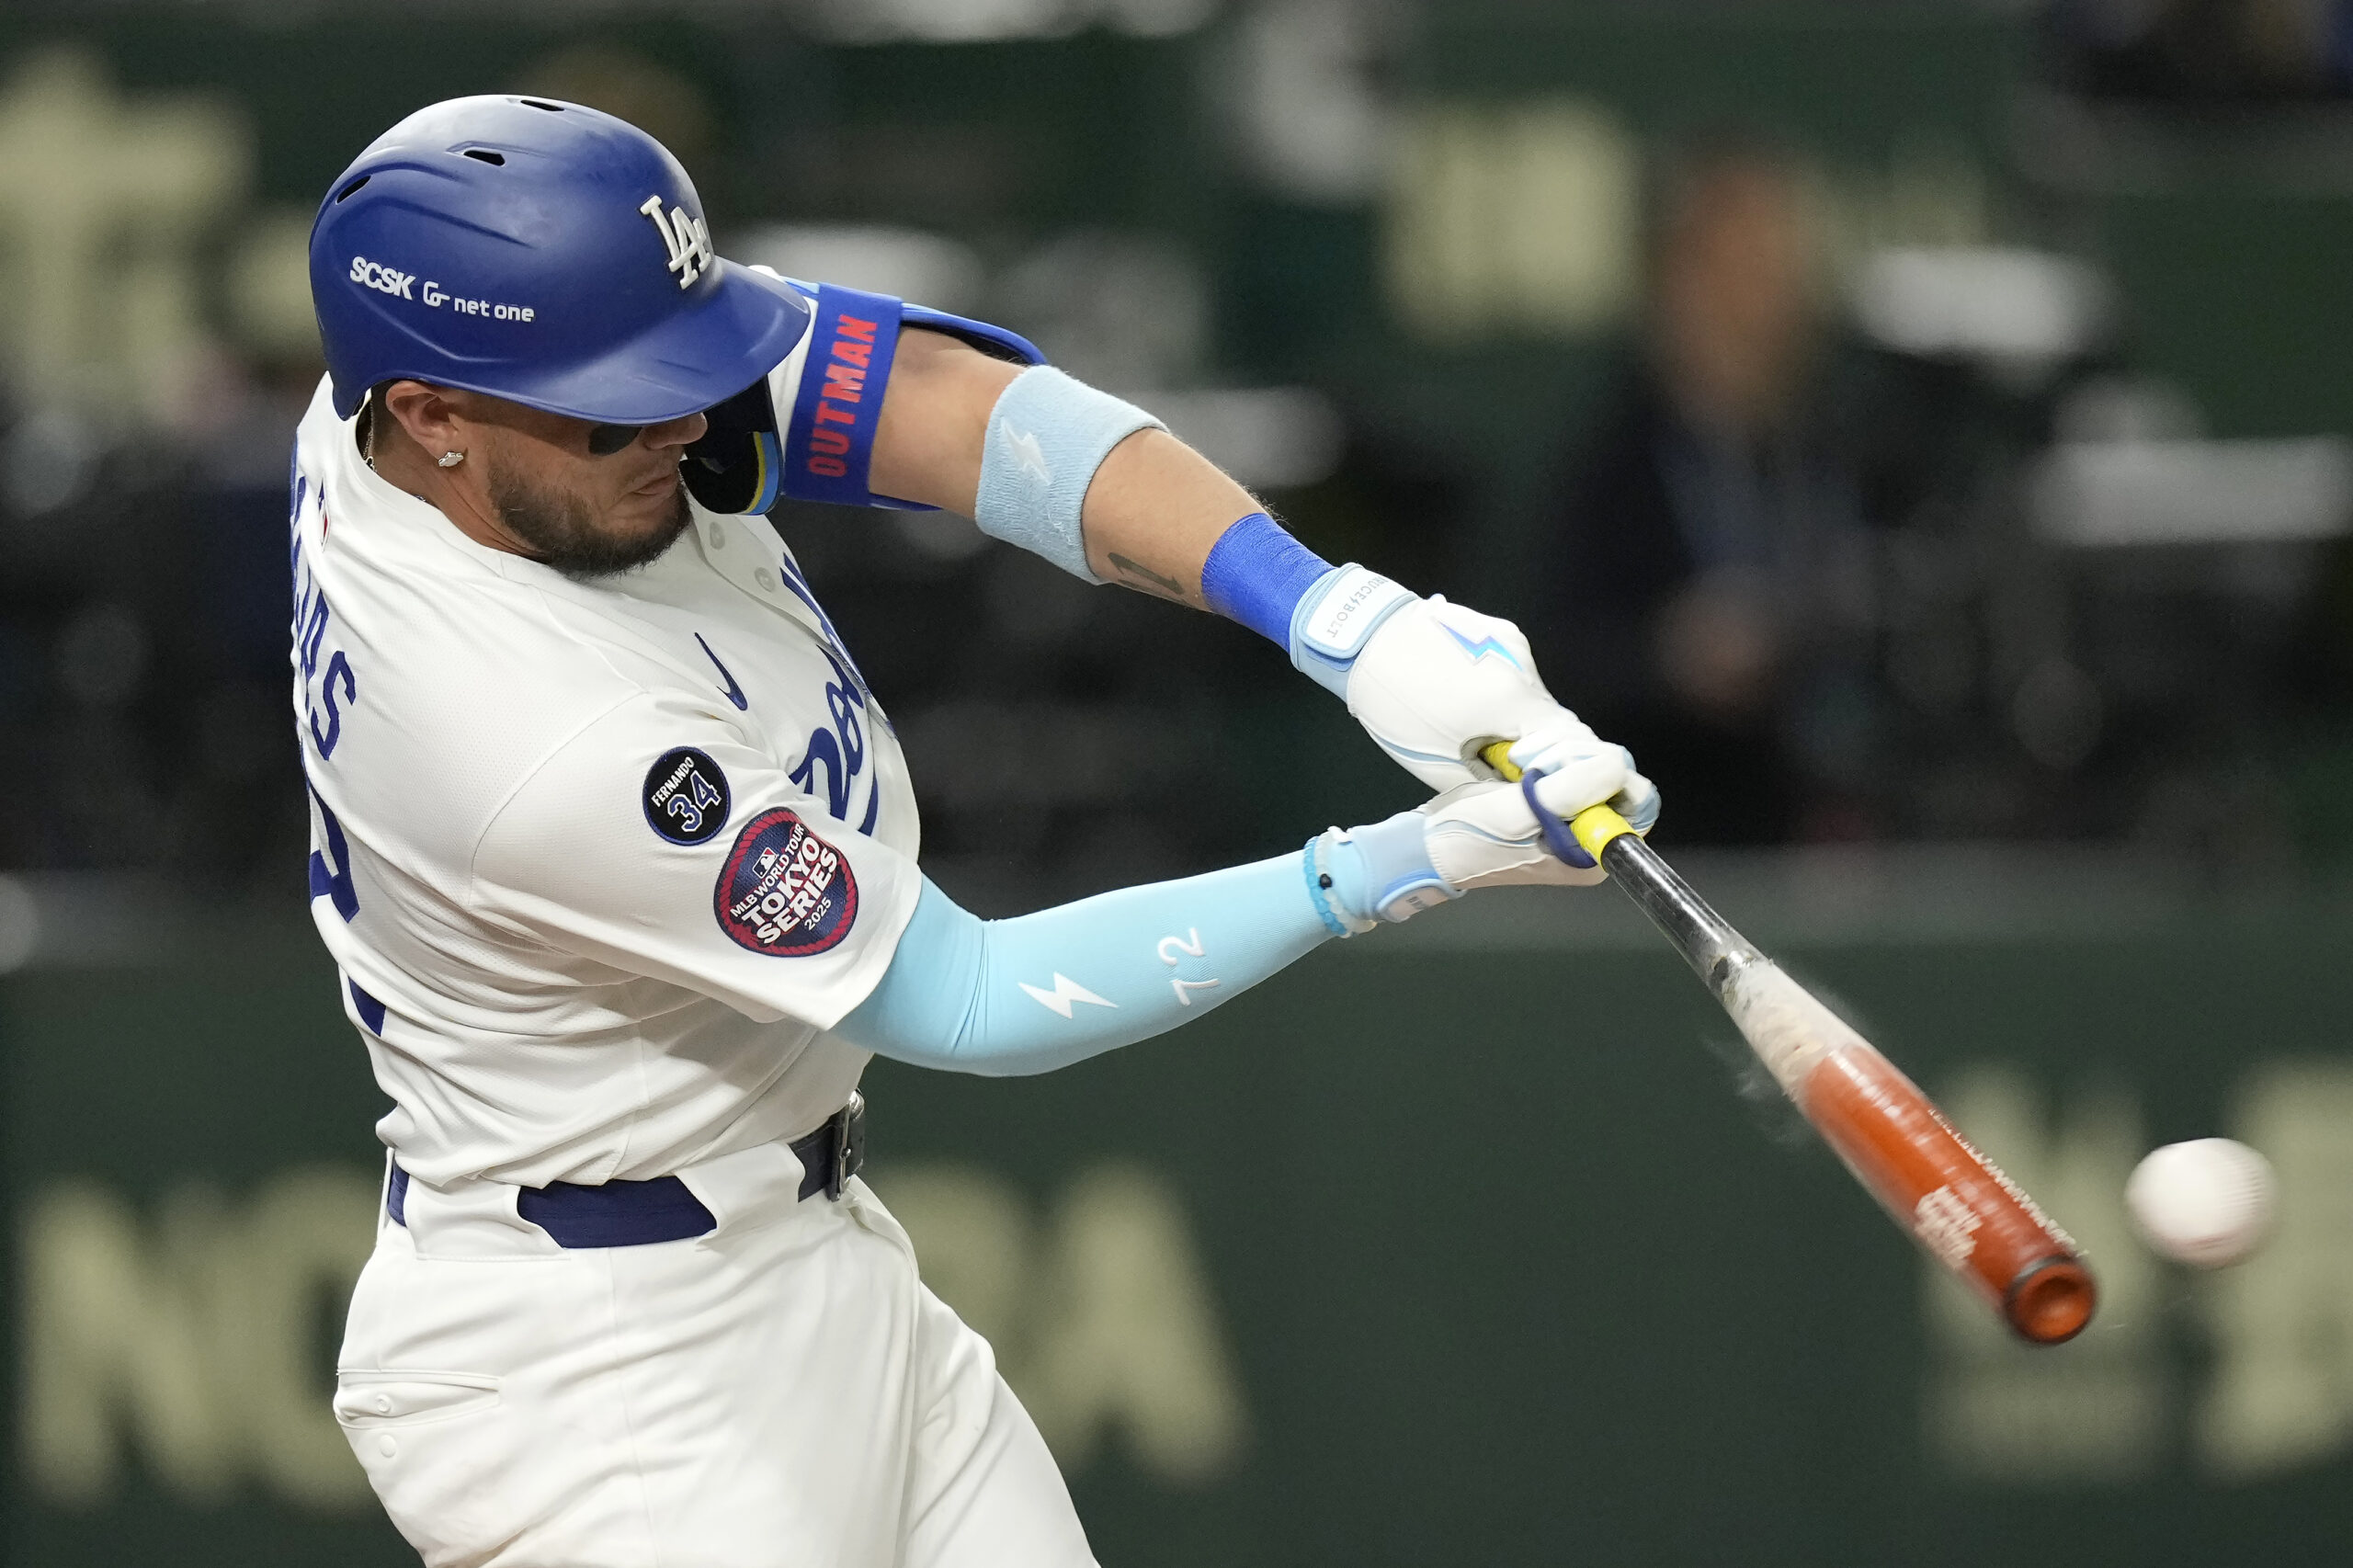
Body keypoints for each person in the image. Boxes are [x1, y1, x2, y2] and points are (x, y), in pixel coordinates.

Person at [299, 97, 1655, 1567]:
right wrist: (1395, 865)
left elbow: (953, 412)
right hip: (606, 1382)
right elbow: (972, 994)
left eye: (680, 360)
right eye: (619, 396)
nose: (686, 422)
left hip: (795, 1249)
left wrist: (1334, 615)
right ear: (431, 415)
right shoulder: (529, 733)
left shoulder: (425, 408)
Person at [1518, 142, 1873, 843]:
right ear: (1672, 283)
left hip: (1835, 838)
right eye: (1728, 268)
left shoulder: (1847, 451)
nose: (1755, 301)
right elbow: (1554, 665)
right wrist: (1668, 660)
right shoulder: (1614, 471)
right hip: (1670, 843)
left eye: (1773, 268)